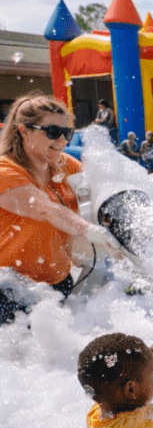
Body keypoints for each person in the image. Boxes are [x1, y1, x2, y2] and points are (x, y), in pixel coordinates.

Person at [0, 94, 124, 323]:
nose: (62, 141)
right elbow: (45, 209)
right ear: (24, 131)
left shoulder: (64, 164)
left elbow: (99, 191)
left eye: (67, 133)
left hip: (57, 283)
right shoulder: (5, 171)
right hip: (9, 289)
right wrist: (90, 231)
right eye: (52, 132)